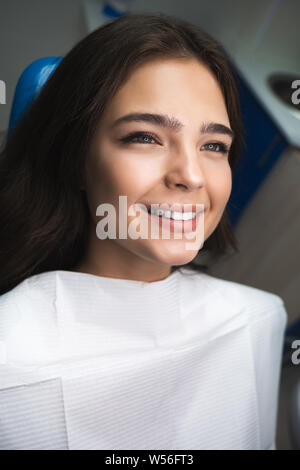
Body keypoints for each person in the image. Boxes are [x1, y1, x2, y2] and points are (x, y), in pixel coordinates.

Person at [0, 12, 287, 450]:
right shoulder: (9, 351)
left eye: (214, 146)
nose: (191, 175)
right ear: (76, 159)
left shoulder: (259, 321)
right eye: (145, 137)